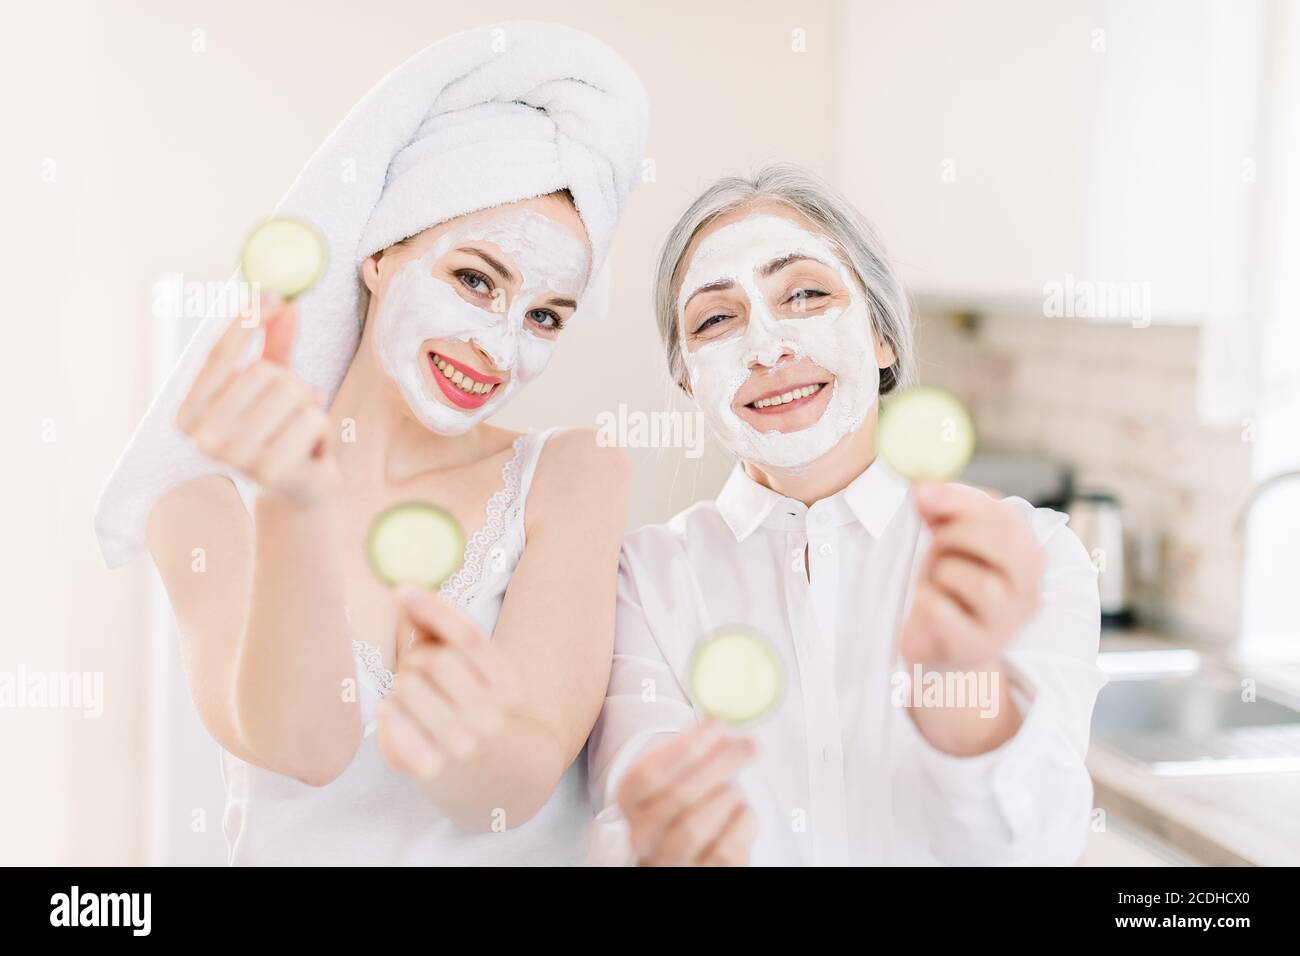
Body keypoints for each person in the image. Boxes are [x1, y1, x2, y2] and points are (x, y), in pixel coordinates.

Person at [95, 22, 647, 865]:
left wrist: (461, 733)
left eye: (543, 317)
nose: (499, 349)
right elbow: (302, 748)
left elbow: (513, 789)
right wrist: (293, 504)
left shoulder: (571, 473)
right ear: (381, 253)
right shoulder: (202, 505)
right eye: (474, 279)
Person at [588, 164, 1106, 866]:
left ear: (882, 336)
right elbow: (628, 827)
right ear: (687, 378)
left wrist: (960, 680)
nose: (768, 347)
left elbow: (1036, 849)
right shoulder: (643, 581)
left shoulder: (1028, 555)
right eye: (716, 318)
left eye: (805, 294)